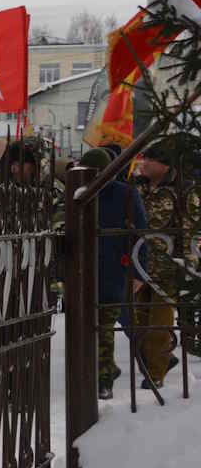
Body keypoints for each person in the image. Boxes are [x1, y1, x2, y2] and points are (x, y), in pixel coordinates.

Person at [80, 148, 148, 399]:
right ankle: (105, 370)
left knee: (105, 326)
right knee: (90, 328)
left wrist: (140, 272)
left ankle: (103, 381)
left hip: (114, 272)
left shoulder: (125, 194)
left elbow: (140, 235)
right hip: (85, 272)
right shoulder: (80, 193)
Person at [134, 137, 189, 388]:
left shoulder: (181, 190)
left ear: (164, 165)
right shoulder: (137, 188)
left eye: (149, 159)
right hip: (139, 265)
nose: (143, 163)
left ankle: (155, 374)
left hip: (166, 269)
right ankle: (157, 362)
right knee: (139, 320)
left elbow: (189, 230)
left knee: (159, 323)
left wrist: (185, 263)